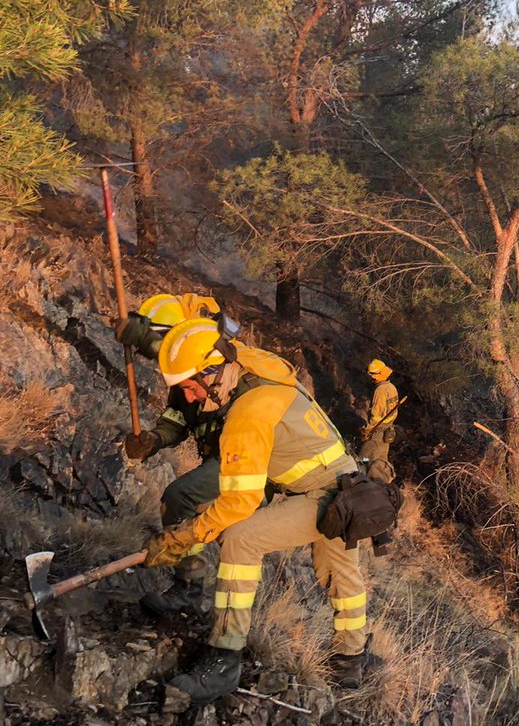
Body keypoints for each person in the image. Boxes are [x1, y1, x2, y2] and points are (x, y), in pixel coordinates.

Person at [143, 318, 370, 703]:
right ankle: (351, 657)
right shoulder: (253, 365)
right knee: (340, 571)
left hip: (325, 495)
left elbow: (238, 503)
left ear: (213, 374)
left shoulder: (247, 413)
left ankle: (224, 658)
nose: (191, 399)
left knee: (241, 538)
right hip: (349, 484)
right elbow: (217, 344)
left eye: (191, 388)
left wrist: (182, 537)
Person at [114, 293, 226, 615]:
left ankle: (191, 595)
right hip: (219, 458)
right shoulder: (182, 378)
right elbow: (177, 419)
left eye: (164, 342)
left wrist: (144, 339)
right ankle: (195, 597)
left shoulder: (215, 363)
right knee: (200, 514)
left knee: (180, 498)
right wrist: (153, 439)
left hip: (244, 458)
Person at [361, 359, 404, 482]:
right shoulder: (392, 387)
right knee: (381, 458)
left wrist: (367, 430)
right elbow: (393, 412)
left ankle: (363, 480)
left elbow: (376, 416)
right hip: (388, 430)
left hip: (377, 432)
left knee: (364, 458)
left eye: (371, 375)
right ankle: (381, 480)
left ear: (376, 375)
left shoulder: (380, 391)